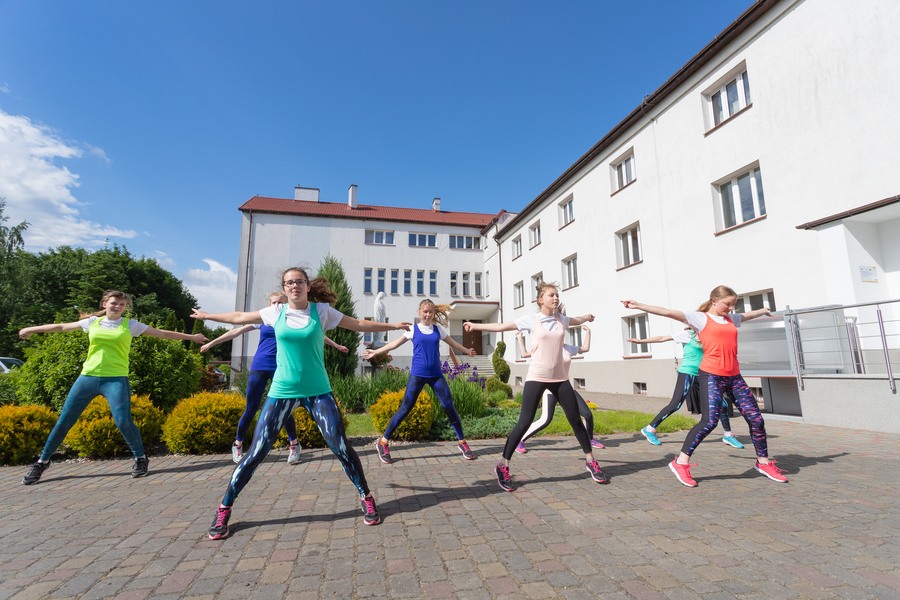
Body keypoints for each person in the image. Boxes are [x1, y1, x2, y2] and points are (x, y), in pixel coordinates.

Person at [191, 267, 411, 539]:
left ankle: (366, 496)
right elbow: (238, 317)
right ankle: (224, 507)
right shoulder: (275, 313)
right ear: (284, 289)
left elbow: (358, 324)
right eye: (289, 282)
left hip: (318, 391)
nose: (294, 286)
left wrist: (393, 326)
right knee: (257, 451)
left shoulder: (321, 312)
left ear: (307, 286)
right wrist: (206, 315)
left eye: (299, 282)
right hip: (283, 391)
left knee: (341, 446)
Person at [20, 290, 209, 485]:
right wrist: (32, 329)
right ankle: (42, 462)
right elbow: (60, 326)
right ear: (104, 304)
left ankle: (140, 458)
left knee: (123, 421)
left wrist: (191, 337)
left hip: (116, 379)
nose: (117, 307)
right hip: (87, 378)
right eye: (113, 303)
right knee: (65, 420)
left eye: (121, 304)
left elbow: (162, 334)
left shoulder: (130, 325)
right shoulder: (92, 322)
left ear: (125, 308)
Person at [622, 286, 788, 487]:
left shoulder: (730, 319)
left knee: (756, 418)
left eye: (733, 304)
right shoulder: (700, 318)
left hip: (734, 376)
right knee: (709, 422)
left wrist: (762, 311)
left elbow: (746, 316)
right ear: (714, 300)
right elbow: (667, 312)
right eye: (727, 304)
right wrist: (638, 305)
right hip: (711, 375)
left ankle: (763, 462)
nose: (730, 308)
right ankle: (680, 462)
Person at [464, 281, 607, 491]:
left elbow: (576, 320)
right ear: (541, 299)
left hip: (560, 378)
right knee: (524, 422)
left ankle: (590, 460)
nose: (556, 298)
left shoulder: (562, 320)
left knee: (576, 420)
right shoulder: (532, 319)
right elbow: (502, 326)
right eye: (551, 295)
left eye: (557, 295)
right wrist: (476, 326)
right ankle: (503, 465)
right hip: (537, 376)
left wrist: (587, 317)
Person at [199, 291, 350, 465]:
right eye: (272, 302)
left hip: (282, 369)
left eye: (278, 302)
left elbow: (317, 334)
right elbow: (237, 330)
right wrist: (211, 343)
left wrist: (336, 345)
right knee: (251, 407)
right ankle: (238, 444)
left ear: (283, 304)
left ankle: (294, 444)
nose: (275, 305)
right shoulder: (263, 319)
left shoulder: (290, 320)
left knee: (284, 409)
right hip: (260, 366)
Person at [364, 299, 478, 463]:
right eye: (425, 311)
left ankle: (462, 442)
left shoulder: (438, 330)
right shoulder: (412, 329)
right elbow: (394, 344)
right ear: (419, 312)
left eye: (430, 312)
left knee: (449, 407)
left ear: (433, 314)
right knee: (405, 408)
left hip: (436, 375)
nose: (427, 314)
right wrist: (375, 352)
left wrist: (467, 351)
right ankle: (383, 442)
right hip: (418, 375)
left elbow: (452, 343)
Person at [628, 330, 744, 449]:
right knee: (676, 404)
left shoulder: (709, 334)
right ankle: (650, 429)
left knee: (722, 404)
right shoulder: (688, 334)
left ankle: (728, 435)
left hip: (704, 374)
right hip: (687, 373)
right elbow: (663, 337)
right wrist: (641, 341)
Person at [513, 325, 605, 453]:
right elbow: (524, 354)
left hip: (565, 388)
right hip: (549, 390)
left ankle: (589, 439)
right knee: (545, 420)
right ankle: (520, 440)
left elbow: (585, 348)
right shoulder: (544, 349)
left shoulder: (568, 349)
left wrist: (588, 332)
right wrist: (519, 338)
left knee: (587, 414)